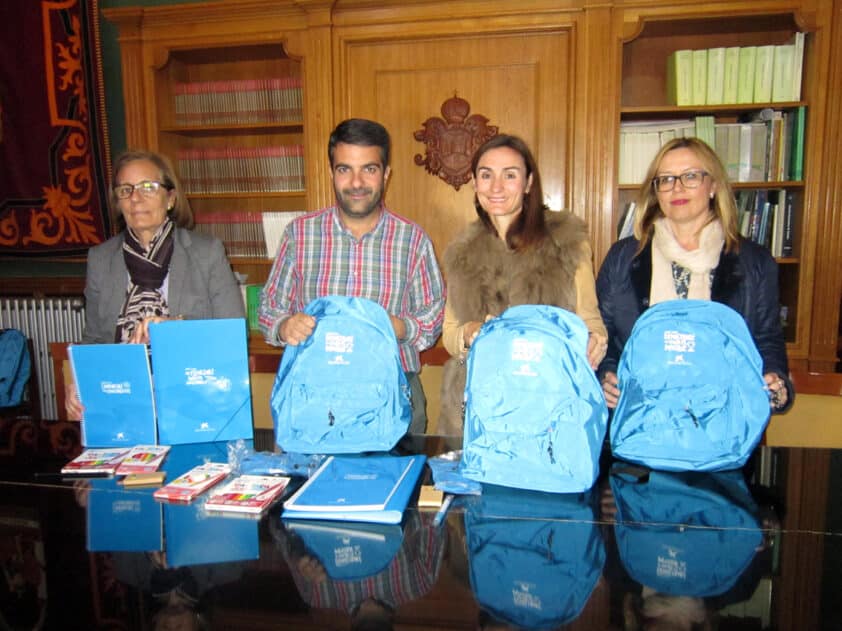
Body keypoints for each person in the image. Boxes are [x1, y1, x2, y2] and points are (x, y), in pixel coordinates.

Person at [258, 118, 445, 433]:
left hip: (394, 391)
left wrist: (397, 326)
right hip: (317, 392)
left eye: (369, 169)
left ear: (386, 174)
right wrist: (284, 325)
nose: (357, 182)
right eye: (345, 169)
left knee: (400, 482)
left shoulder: (412, 240)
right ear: (331, 173)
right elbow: (268, 308)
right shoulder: (299, 235)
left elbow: (433, 318)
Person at [596, 137, 792, 412]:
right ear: (656, 192)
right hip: (642, 419)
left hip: (723, 421)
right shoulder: (622, 258)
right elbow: (601, 337)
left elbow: (767, 340)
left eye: (690, 176)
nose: (677, 187)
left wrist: (776, 380)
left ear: (713, 185)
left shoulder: (754, 262)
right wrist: (606, 377)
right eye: (665, 179)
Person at [438, 134, 608, 435]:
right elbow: (450, 334)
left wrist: (594, 340)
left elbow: (591, 320)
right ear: (475, 184)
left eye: (510, 175)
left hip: (547, 406)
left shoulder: (567, 242)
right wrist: (470, 332)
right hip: (474, 408)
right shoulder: (461, 253)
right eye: (486, 175)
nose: (496, 187)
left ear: (529, 183)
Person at [65, 149, 244, 419]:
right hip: (122, 402)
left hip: (194, 399)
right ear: (118, 202)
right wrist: (81, 384)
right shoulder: (100, 259)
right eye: (125, 190)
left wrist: (176, 326)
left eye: (148, 187)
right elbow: (93, 341)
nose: (136, 198)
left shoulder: (207, 252)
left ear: (170, 198)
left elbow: (232, 335)